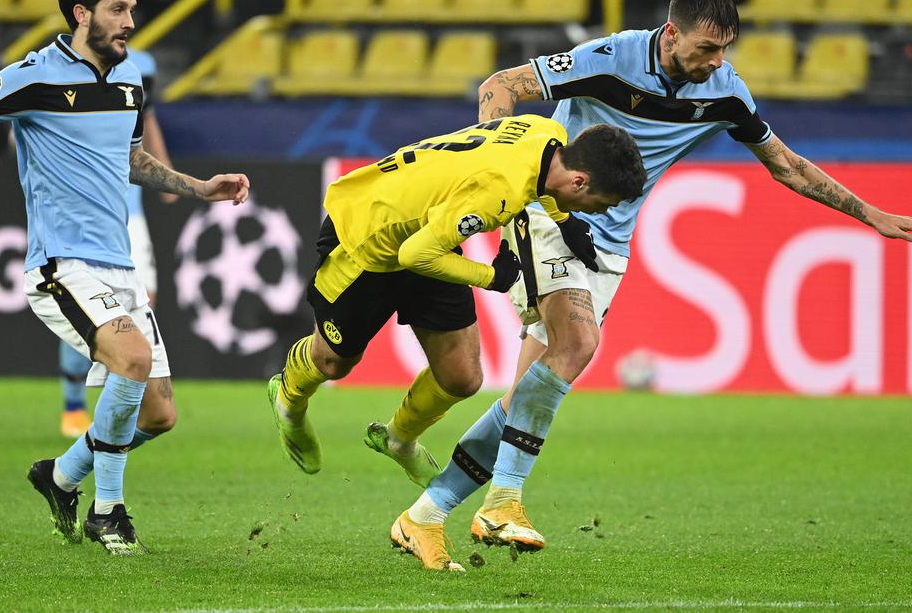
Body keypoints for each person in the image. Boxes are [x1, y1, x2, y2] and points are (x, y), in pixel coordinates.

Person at [379, 0, 912, 563]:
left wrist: (870, 214)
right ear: (672, 33)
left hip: (609, 247)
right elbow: (502, 85)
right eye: (706, 47)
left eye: (725, 48)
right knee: (578, 344)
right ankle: (504, 501)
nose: (716, 61)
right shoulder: (610, 59)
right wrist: (503, 181)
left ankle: (425, 516)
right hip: (551, 213)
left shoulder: (724, 91)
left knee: (526, 396)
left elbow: (787, 166)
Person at [0, 0, 250, 554]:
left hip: (118, 263)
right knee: (131, 361)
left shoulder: (131, 76)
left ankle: (59, 477)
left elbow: (132, 159)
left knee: (159, 415)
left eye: (133, 10)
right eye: (118, 9)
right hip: (61, 264)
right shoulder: (35, 75)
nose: (130, 22)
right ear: (81, 13)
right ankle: (109, 511)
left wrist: (197, 187)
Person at [267, 114, 646, 571]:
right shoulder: (497, 192)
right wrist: (492, 276)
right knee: (333, 364)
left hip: (428, 232)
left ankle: (398, 440)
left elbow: (513, 187)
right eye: (596, 205)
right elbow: (414, 254)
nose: (595, 214)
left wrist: (566, 221)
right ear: (581, 180)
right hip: (368, 240)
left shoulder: (547, 134)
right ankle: (288, 395)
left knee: (463, 377)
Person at [57, 47, 177, 439]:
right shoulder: (55, 67)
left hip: (132, 212)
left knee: (143, 305)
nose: (124, 18)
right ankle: (73, 402)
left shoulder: (141, 65)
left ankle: (116, 408)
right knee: (93, 315)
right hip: (86, 217)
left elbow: (147, 120)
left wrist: (167, 174)